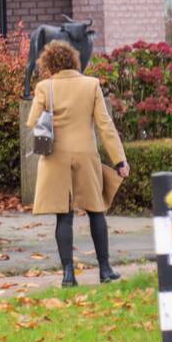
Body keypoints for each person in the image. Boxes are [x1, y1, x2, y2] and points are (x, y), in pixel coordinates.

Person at [26, 40, 130, 288]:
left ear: (49, 63)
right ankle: (105, 269)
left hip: (55, 157)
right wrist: (119, 160)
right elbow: (105, 126)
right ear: (74, 60)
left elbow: (32, 121)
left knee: (64, 216)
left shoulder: (44, 87)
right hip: (86, 155)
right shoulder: (91, 84)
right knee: (96, 211)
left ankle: (68, 275)